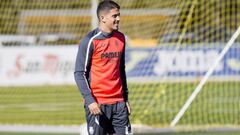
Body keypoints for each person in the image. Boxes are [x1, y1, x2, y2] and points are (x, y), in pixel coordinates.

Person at [74, 0, 131, 134]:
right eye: (115, 16)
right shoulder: (90, 41)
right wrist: (90, 100)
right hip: (97, 103)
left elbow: (121, 70)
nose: (118, 19)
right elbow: (79, 73)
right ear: (102, 18)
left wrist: (125, 99)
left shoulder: (121, 38)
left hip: (119, 104)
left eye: (119, 15)